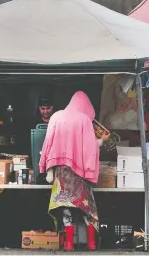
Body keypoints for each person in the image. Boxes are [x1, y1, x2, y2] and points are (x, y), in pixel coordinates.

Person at [39, 91, 110, 251]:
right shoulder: (84, 120)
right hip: (80, 174)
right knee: (87, 209)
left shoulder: (56, 117)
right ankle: (91, 243)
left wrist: (46, 166)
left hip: (61, 173)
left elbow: (47, 143)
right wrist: (102, 141)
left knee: (66, 209)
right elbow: (90, 147)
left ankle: (69, 244)